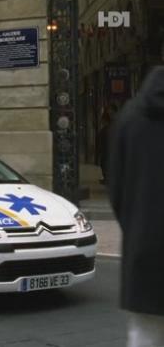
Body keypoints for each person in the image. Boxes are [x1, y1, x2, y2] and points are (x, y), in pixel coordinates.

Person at [108, 66, 164, 347]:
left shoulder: (129, 117)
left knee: (145, 336)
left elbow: (116, 188)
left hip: (144, 249)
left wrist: (138, 226)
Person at [97, 107, 112, 184]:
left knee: (105, 165)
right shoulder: (113, 128)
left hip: (107, 152)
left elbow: (101, 143)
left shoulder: (104, 131)